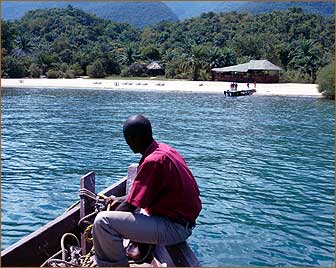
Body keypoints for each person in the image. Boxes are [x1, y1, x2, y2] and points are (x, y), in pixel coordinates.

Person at [93, 115, 202, 266]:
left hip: (174, 228)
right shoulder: (164, 150)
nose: (127, 143)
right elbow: (138, 198)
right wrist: (117, 200)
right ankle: (141, 250)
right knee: (137, 208)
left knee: (102, 222)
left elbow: (129, 207)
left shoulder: (152, 161)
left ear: (133, 138)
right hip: (182, 222)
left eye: (127, 139)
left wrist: (107, 216)